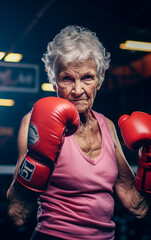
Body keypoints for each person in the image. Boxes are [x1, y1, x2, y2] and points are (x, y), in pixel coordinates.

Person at [7, 25, 151, 240]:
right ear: (54, 79)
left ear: (100, 80)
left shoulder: (107, 125)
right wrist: (39, 158)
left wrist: (149, 158)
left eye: (87, 78)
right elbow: (17, 213)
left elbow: (137, 206)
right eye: (67, 79)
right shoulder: (33, 122)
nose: (77, 90)